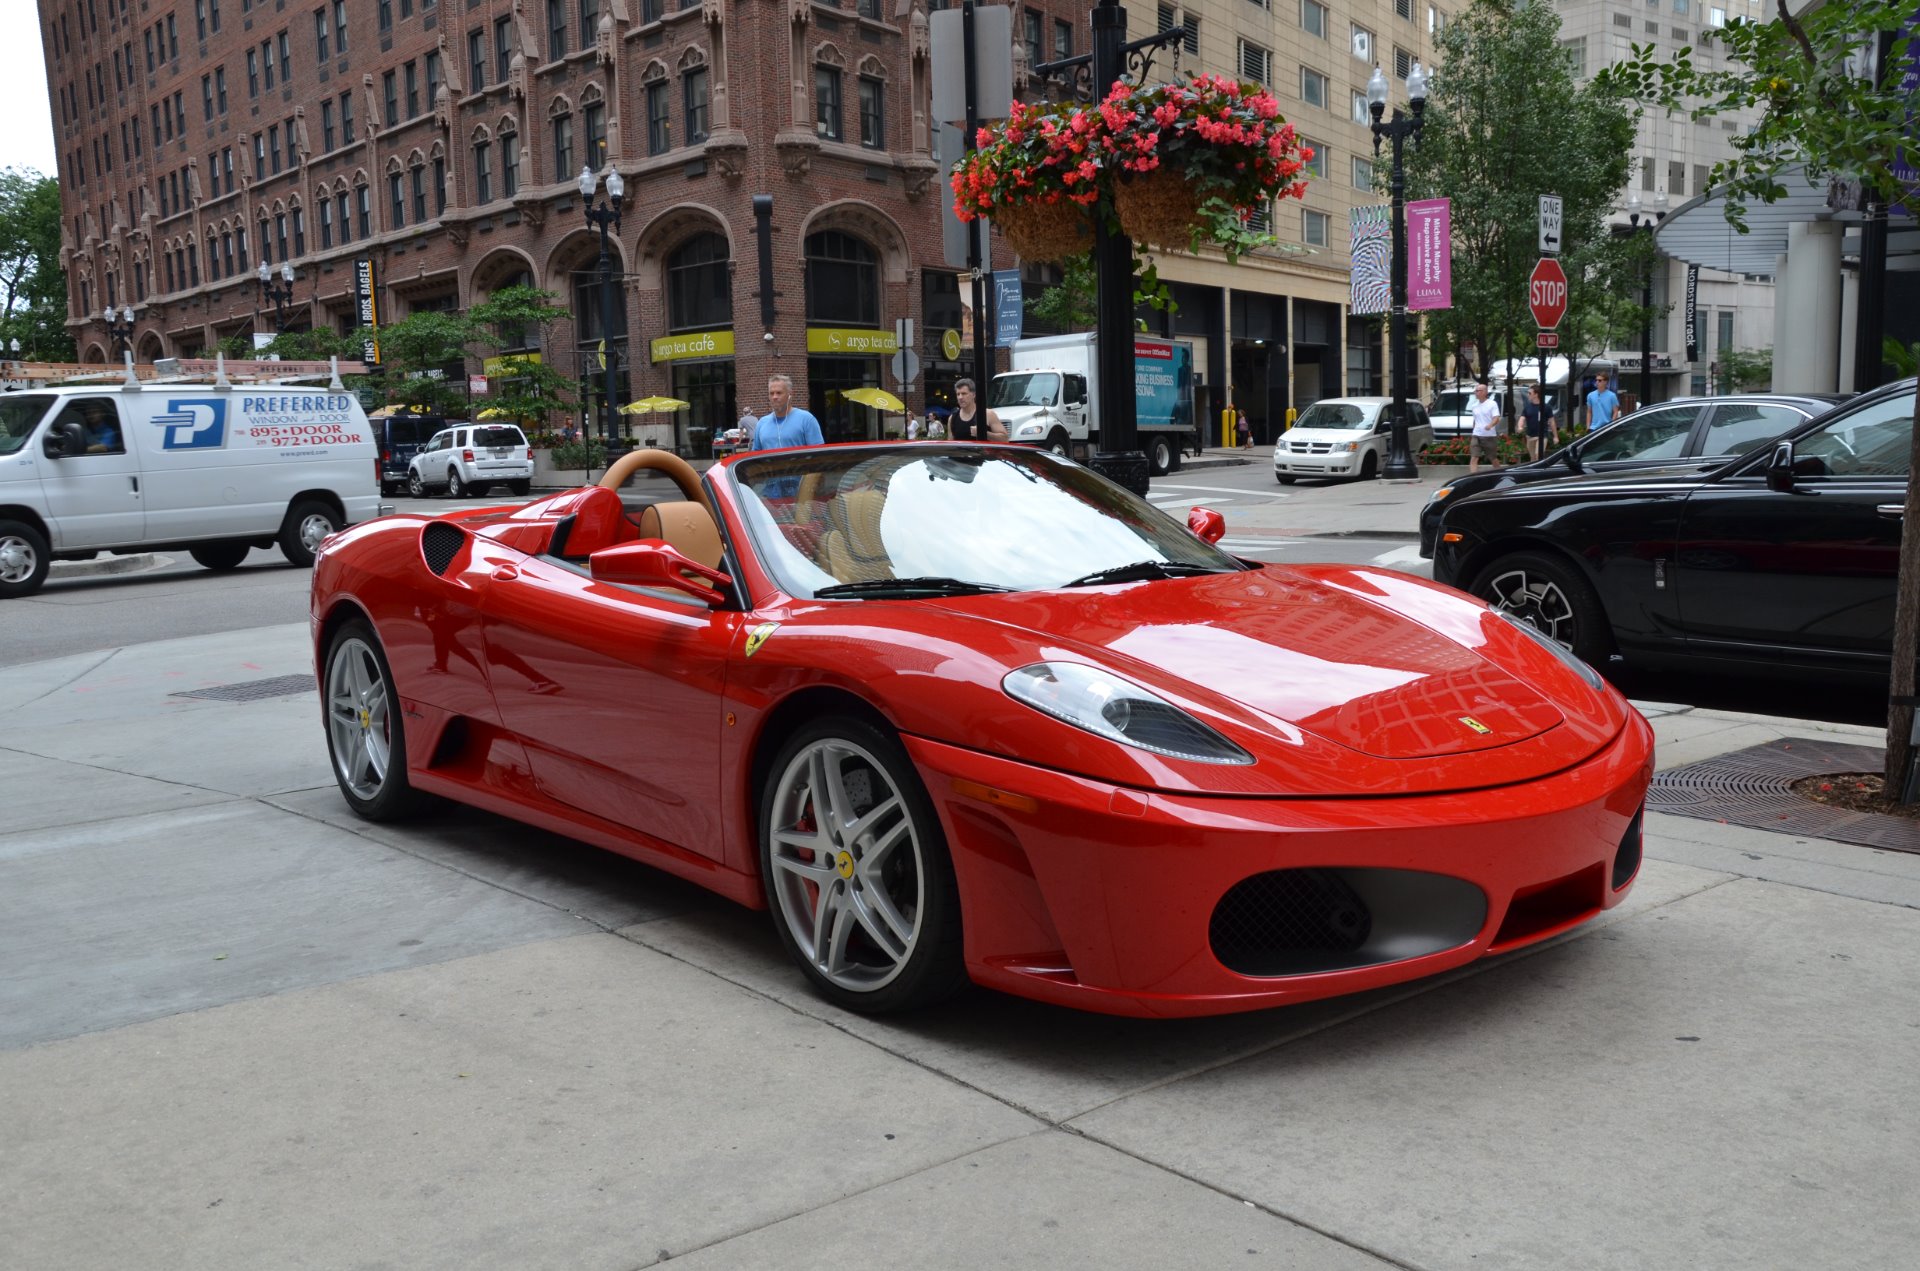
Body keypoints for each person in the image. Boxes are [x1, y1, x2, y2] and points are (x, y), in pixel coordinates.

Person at [749, 374, 824, 451]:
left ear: (790, 394)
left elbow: (818, 453)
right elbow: (756, 455)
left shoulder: (806, 419)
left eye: (779, 393)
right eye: (771, 393)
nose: (774, 397)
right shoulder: (761, 423)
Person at [1468, 381, 1502, 474]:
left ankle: (1499, 473)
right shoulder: (1474, 405)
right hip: (1476, 434)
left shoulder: (1492, 404)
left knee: (1492, 458)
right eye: (1475, 391)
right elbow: (1475, 420)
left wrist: (1490, 425)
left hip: (1489, 435)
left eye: (1478, 391)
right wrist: (1473, 430)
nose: (1476, 393)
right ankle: (1473, 477)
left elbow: (1496, 418)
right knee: (1474, 457)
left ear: (1484, 392)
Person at [1521, 384, 1554, 462]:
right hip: (1530, 436)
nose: (1528, 395)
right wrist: (1520, 426)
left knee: (1538, 455)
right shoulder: (1527, 407)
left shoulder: (1546, 407)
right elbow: (1522, 418)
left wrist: (1555, 436)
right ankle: (1534, 469)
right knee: (1532, 458)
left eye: (1530, 393)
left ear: (1536, 394)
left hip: (1542, 436)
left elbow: (1552, 422)